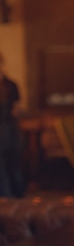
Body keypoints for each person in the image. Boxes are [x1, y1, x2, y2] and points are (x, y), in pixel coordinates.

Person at [0, 51, 24, 197]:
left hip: (9, 131)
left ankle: (18, 200)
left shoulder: (11, 86)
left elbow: (16, 109)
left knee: (13, 168)